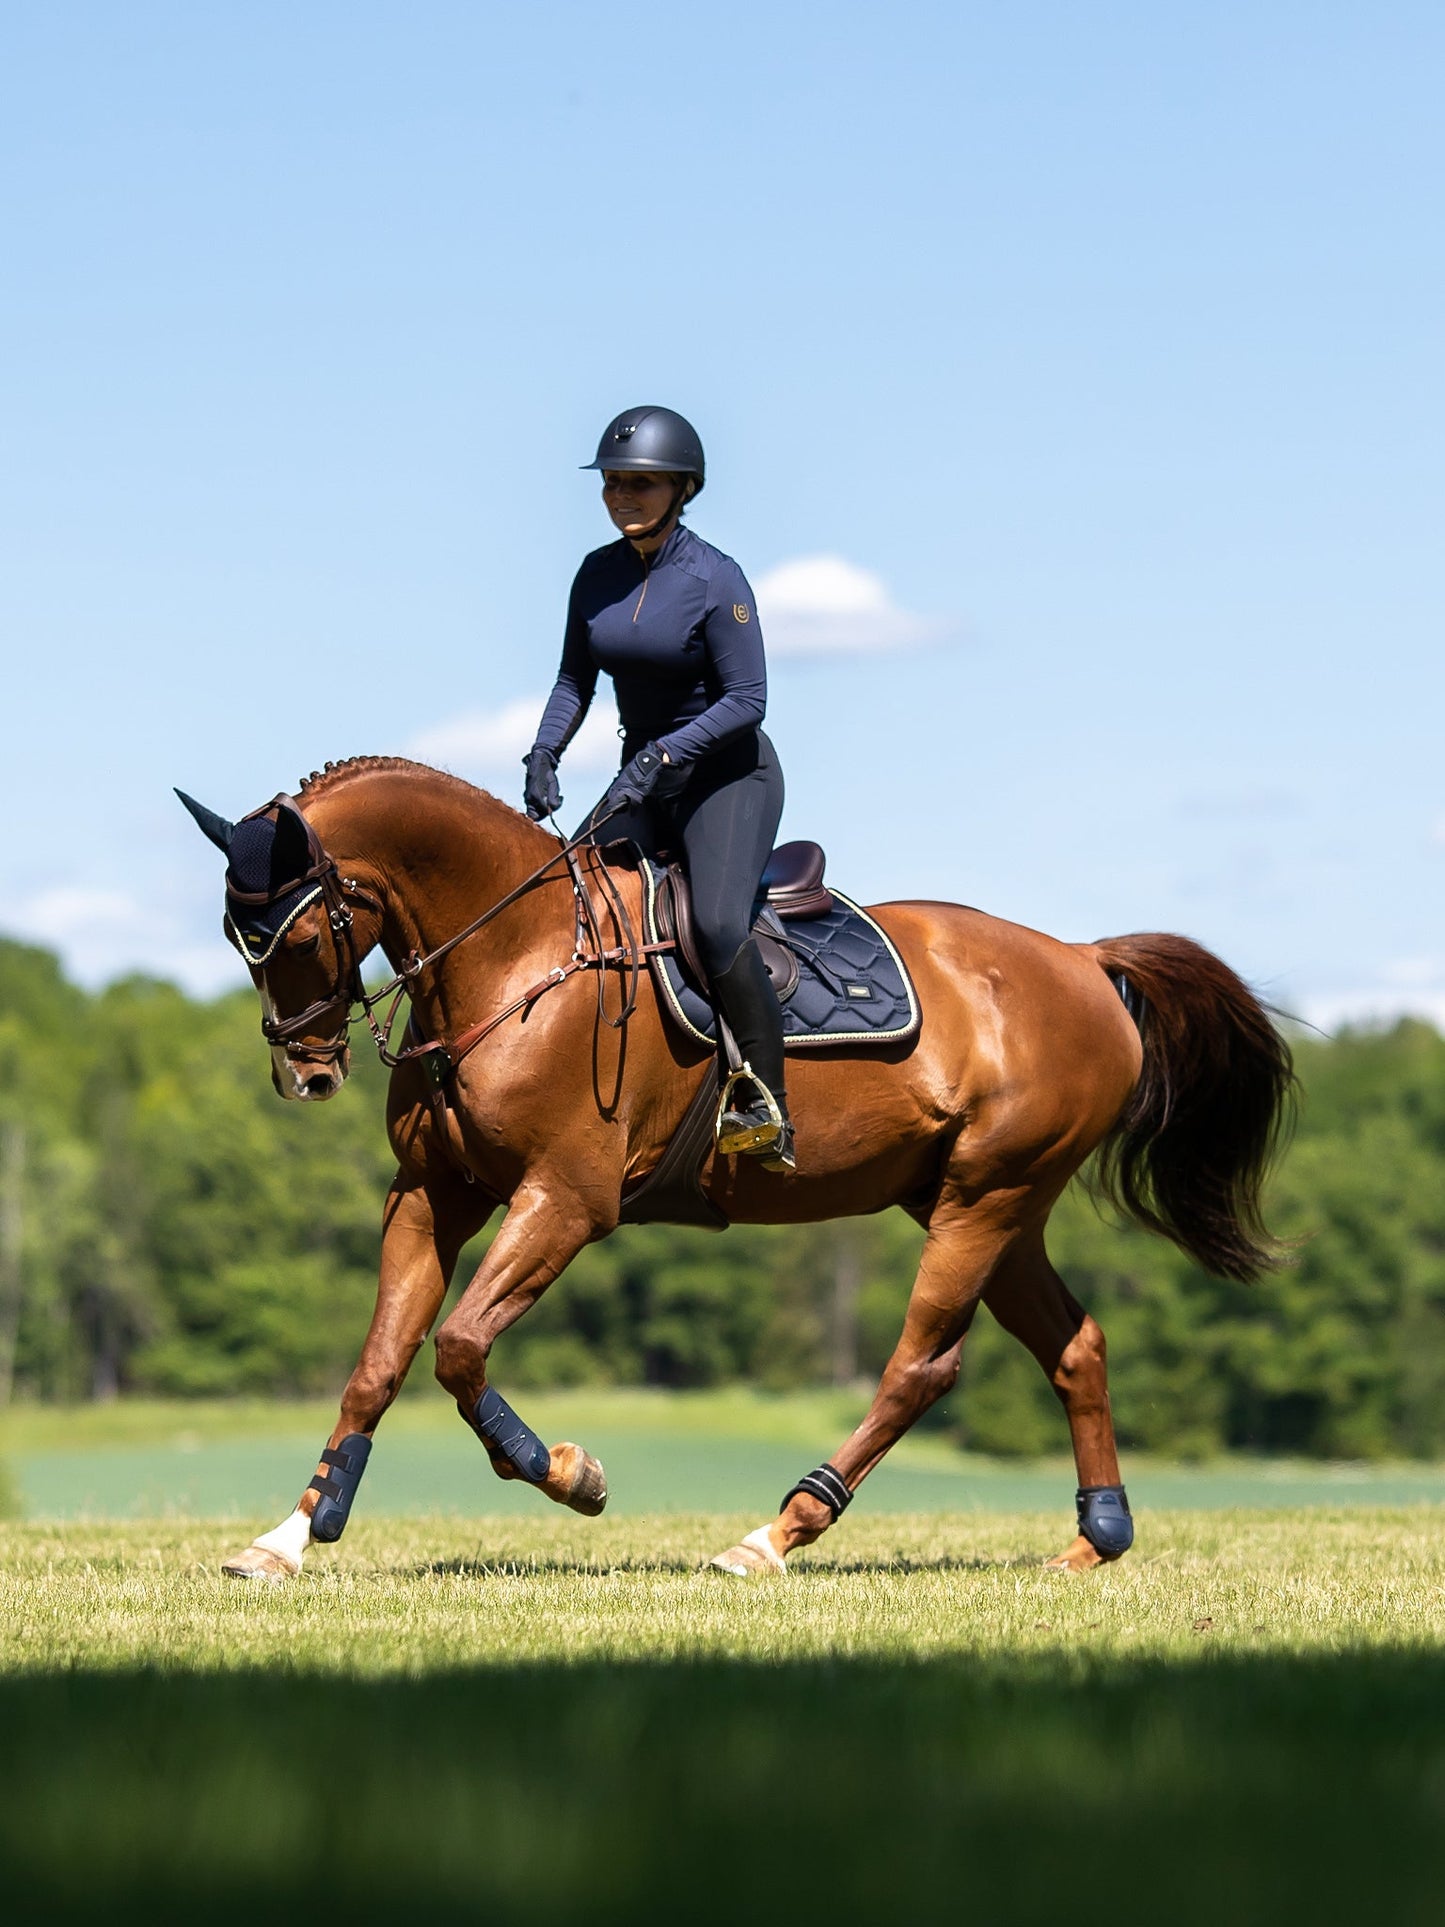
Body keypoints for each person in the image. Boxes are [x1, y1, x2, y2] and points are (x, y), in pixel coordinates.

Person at [522, 405, 793, 1171]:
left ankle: (764, 1104)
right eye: (611, 482)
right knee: (562, 895)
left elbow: (748, 699)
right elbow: (575, 678)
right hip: (644, 776)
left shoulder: (716, 578)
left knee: (712, 925)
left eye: (639, 483)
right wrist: (544, 750)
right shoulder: (596, 574)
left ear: (681, 488)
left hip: (726, 776)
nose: (621, 495)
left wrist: (665, 752)